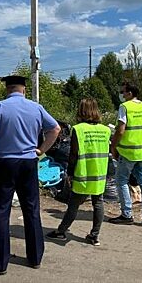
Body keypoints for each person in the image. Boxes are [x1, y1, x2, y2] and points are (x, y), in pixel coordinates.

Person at [0, 75, 60, 275]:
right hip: (29, 163)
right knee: (31, 209)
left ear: (7, 89)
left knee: (2, 211)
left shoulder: (0, 108)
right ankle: (35, 257)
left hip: (4, 163)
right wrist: (41, 150)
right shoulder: (36, 108)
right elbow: (55, 129)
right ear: (23, 90)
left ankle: (0, 262)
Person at [46, 98, 111, 246]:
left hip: (83, 173)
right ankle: (94, 236)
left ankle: (61, 231)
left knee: (74, 204)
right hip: (100, 173)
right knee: (98, 203)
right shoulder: (105, 130)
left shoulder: (78, 129)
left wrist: (69, 173)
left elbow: (73, 154)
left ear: (81, 111)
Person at [109, 82, 142, 227]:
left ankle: (126, 214)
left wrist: (113, 147)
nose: (122, 95)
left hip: (128, 152)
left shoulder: (125, 107)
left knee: (122, 181)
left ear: (130, 93)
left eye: (123, 92)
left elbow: (120, 130)